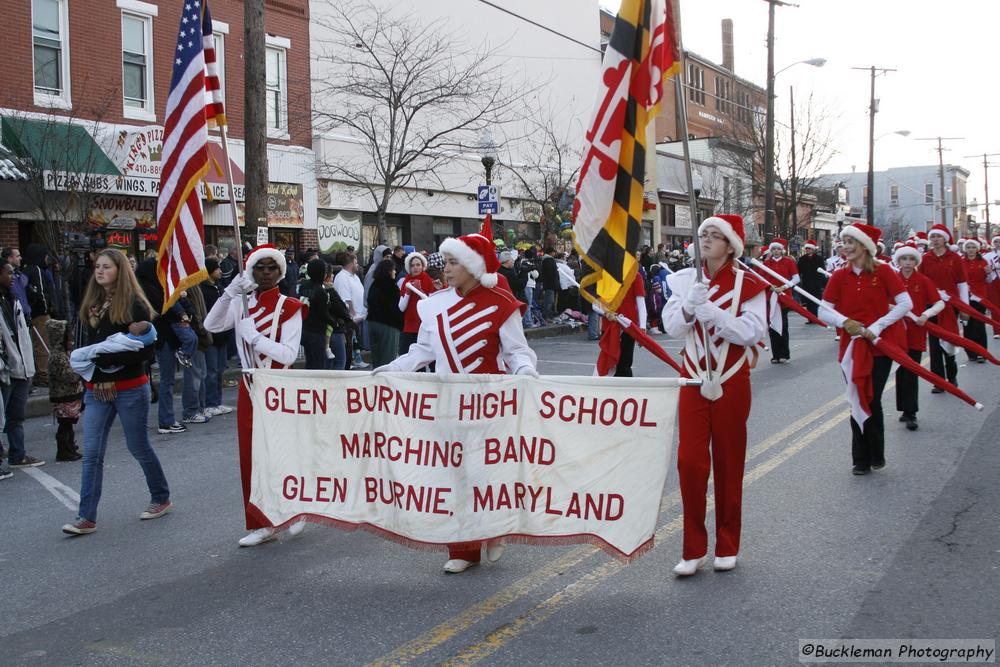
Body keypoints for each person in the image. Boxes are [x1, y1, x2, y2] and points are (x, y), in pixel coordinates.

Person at [375, 229, 537, 574]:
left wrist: (526, 371)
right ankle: (463, 547)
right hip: (450, 402)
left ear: (473, 266)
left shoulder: (502, 303)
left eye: (453, 263)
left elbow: (517, 350)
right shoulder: (433, 306)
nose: (445, 269)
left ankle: (494, 528)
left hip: (490, 402)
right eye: (445, 262)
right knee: (456, 475)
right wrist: (392, 368)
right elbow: (422, 351)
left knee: (486, 473)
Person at [662, 215, 767, 576]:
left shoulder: (750, 284)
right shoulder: (685, 280)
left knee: (728, 462)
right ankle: (693, 548)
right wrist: (690, 307)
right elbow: (672, 328)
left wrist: (715, 313)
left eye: (714, 235)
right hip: (692, 380)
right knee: (689, 463)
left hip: (732, 380)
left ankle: (727, 543)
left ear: (730, 244)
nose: (706, 240)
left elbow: (752, 333)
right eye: (703, 234)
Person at [204, 244, 307, 547]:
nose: (264, 273)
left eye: (271, 267)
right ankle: (262, 523)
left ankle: (297, 508)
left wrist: (255, 337)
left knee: (283, 455)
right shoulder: (241, 305)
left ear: (280, 272)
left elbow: (288, 354)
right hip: (250, 388)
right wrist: (229, 293)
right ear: (249, 271)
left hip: (280, 387)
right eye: (258, 267)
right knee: (252, 458)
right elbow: (211, 325)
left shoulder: (290, 306)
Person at [61, 249, 170, 535]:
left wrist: (107, 359)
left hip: (130, 388)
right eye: (97, 266)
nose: (99, 271)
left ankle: (160, 497)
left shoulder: (135, 304)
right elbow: (85, 349)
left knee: (138, 446)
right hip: (95, 389)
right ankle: (86, 517)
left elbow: (146, 350)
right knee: (92, 453)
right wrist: (91, 368)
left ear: (120, 271)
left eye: (106, 267)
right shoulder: (91, 304)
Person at [819, 224, 912, 476]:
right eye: (843, 241)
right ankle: (860, 459)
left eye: (850, 241)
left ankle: (875, 454)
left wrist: (878, 326)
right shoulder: (839, 275)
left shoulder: (884, 272)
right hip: (850, 347)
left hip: (879, 345)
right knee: (855, 396)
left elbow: (905, 303)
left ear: (864, 246)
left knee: (871, 397)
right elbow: (823, 309)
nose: (845, 246)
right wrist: (843, 322)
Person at [892, 243, 944, 431]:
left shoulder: (923, 281)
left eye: (911, 259)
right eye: (904, 259)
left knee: (912, 370)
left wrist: (925, 315)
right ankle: (904, 410)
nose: (907, 263)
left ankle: (912, 411)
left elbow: (938, 303)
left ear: (916, 261)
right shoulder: (892, 279)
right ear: (898, 261)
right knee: (900, 370)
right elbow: (883, 300)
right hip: (896, 332)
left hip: (916, 331)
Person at [134, 258, 187, 434]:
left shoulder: (141, 291)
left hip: (150, 341)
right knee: (167, 380)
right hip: (162, 339)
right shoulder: (154, 292)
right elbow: (166, 313)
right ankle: (166, 420)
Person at [0, 261, 43, 468]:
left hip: (21, 364)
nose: (13, 277)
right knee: (2, 415)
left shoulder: (13, 299)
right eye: (9, 273)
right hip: (5, 367)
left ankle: (18, 454)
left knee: (16, 414)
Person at [918, 224, 969, 390]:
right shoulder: (925, 259)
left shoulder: (955, 258)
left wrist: (964, 308)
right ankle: (938, 381)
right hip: (931, 305)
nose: (935, 240)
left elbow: (962, 284)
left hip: (951, 305)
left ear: (945, 239)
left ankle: (951, 375)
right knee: (934, 345)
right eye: (932, 237)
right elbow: (920, 282)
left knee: (949, 339)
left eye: (938, 237)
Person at [299, 259, 350, 370]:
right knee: (319, 364)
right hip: (318, 331)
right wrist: (334, 323)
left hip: (305, 328)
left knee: (310, 362)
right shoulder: (321, 291)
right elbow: (323, 313)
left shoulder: (304, 286)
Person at [199, 258, 234, 416]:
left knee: (219, 370)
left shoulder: (220, 288)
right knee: (211, 371)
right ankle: (209, 403)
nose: (220, 271)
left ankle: (217, 401)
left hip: (223, 335)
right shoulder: (203, 290)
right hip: (211, 336)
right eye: (216, 268)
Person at [46, 319, 83, 461]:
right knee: (65, 424)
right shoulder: (57, 357)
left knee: (69, 424)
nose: (72, 342)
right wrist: (80, 372)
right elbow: (68, 376)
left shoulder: (64, 354)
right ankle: (64, 450)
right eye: (69, 339)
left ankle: (70, 447)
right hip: (63, 396)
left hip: (69, 395)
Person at [762, 238, 799, 363]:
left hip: (784, 296)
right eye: (773, 249)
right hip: (771, 296)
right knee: (772, 325)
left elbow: (796, 278)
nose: (776, 251)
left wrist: (784, 287)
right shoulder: (766, 264)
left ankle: (784, 354)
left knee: (783, 325)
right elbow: (761, 278)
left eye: (778, 249)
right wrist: (770, 287)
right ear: (771, 251)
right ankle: (776, 355)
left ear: (782, 250)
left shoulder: (788, 262)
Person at [959, 238, 995, 363]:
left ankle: (981, 353)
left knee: (979, 324)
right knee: (967, 324)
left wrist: (989, 273)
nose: (971, 250)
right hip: (965, 296)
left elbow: (989, 280)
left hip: (979, 296)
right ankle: (970, 352)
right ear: (965, 249)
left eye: (973, 247)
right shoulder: (961, 262)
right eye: (968, 247)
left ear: (977, 249)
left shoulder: (983, 261)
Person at [334, 252, 369, 370]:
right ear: (350, 264)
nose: (357, 265)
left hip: (359, 315)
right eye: (356, 262)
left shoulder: (355, 276)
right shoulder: (342, 277)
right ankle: (350, 360)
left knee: (355, 340)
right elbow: (346, 299)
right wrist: (352, 315)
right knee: (350, 340)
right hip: (351, 317)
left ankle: (357, 358)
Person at [366, 259, 403, 367]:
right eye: (393, 270)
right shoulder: (392, 286)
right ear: (389, 271)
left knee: (376, 359)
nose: (395, 272)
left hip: (372, 322)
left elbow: (369, 301)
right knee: (388, 361)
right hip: (388, 324)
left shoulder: (374, 284)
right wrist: (400, 323)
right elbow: (395, 308)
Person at [398, 252, 437, 355]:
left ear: (423, 266)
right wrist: (408, 292)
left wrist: (420, 291)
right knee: (407, 356)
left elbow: (431, 304)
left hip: (424, 326)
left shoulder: (429, 281)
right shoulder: (406, 281)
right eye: (412, 265)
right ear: (409, 268)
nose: (415, 268)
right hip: (409, 326)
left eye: (418, 265)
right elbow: (401, 308)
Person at [796, 239, 826, 318]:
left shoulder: (819, 258)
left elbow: (822, 270)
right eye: (806, 248)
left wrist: (822, 282)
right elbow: (798, 270)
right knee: (808, 299)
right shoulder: (802, 259)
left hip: (816, 282)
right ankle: (810, 317)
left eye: (809, 248)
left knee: (816, 299)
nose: (807, 250)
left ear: (813, 249)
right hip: (806, 281)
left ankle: (816, 315)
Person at [983, 235, 1000, 339]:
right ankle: (997, 330)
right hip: (993, 281)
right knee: (995, 307)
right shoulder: (987, 256)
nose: (998, 243)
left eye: (999, 241)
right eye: (996, 241)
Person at [540, 247, 559, 322]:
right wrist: (555, 283)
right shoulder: (548, 260)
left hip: (549, 284)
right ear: (551, 252)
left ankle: (548, 315)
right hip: (550, 284)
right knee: (549, 301)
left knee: (549, 300)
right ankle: (547, 316)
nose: (555, 253)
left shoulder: (547, 260)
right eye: (554, 252)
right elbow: (551, 274)